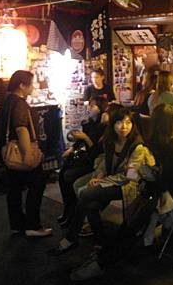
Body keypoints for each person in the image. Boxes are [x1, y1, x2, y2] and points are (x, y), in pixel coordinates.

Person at [49, 107, 155, 255]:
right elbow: (105, 161)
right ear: (112, 125)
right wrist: (99, 176)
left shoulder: (137, 147)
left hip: (128, 185)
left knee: (85, 193)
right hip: (112, 180)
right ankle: (100, 243)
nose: (124, 127)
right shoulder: (111, 141)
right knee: (91, 205)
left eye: (128, 122)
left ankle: (71, 238)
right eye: (119, 122)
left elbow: (130, 176)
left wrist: (102, 181)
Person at [0, 70, 52, 238]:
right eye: (31, 84)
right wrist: (28, 154)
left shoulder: (7, 100)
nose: (32, 87)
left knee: (14, 189)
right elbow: (21, 128)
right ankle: (33, 225)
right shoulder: (20, 103)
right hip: (21, 152)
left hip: (8, 153)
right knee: (37, 184)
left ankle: (17, 225)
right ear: (22, 85)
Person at [57, 97, 110, 228]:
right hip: (86, 158)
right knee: (63, 173)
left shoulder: (105, 128)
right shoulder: (89, 123)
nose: (89, 109)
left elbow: (97, 153)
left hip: (94, 162)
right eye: (90, 106)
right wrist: (72, 148)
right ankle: (68, 210)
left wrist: (85, 138)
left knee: (69, 176)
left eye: (93, 106)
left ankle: (75, 213)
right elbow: (80, 141)